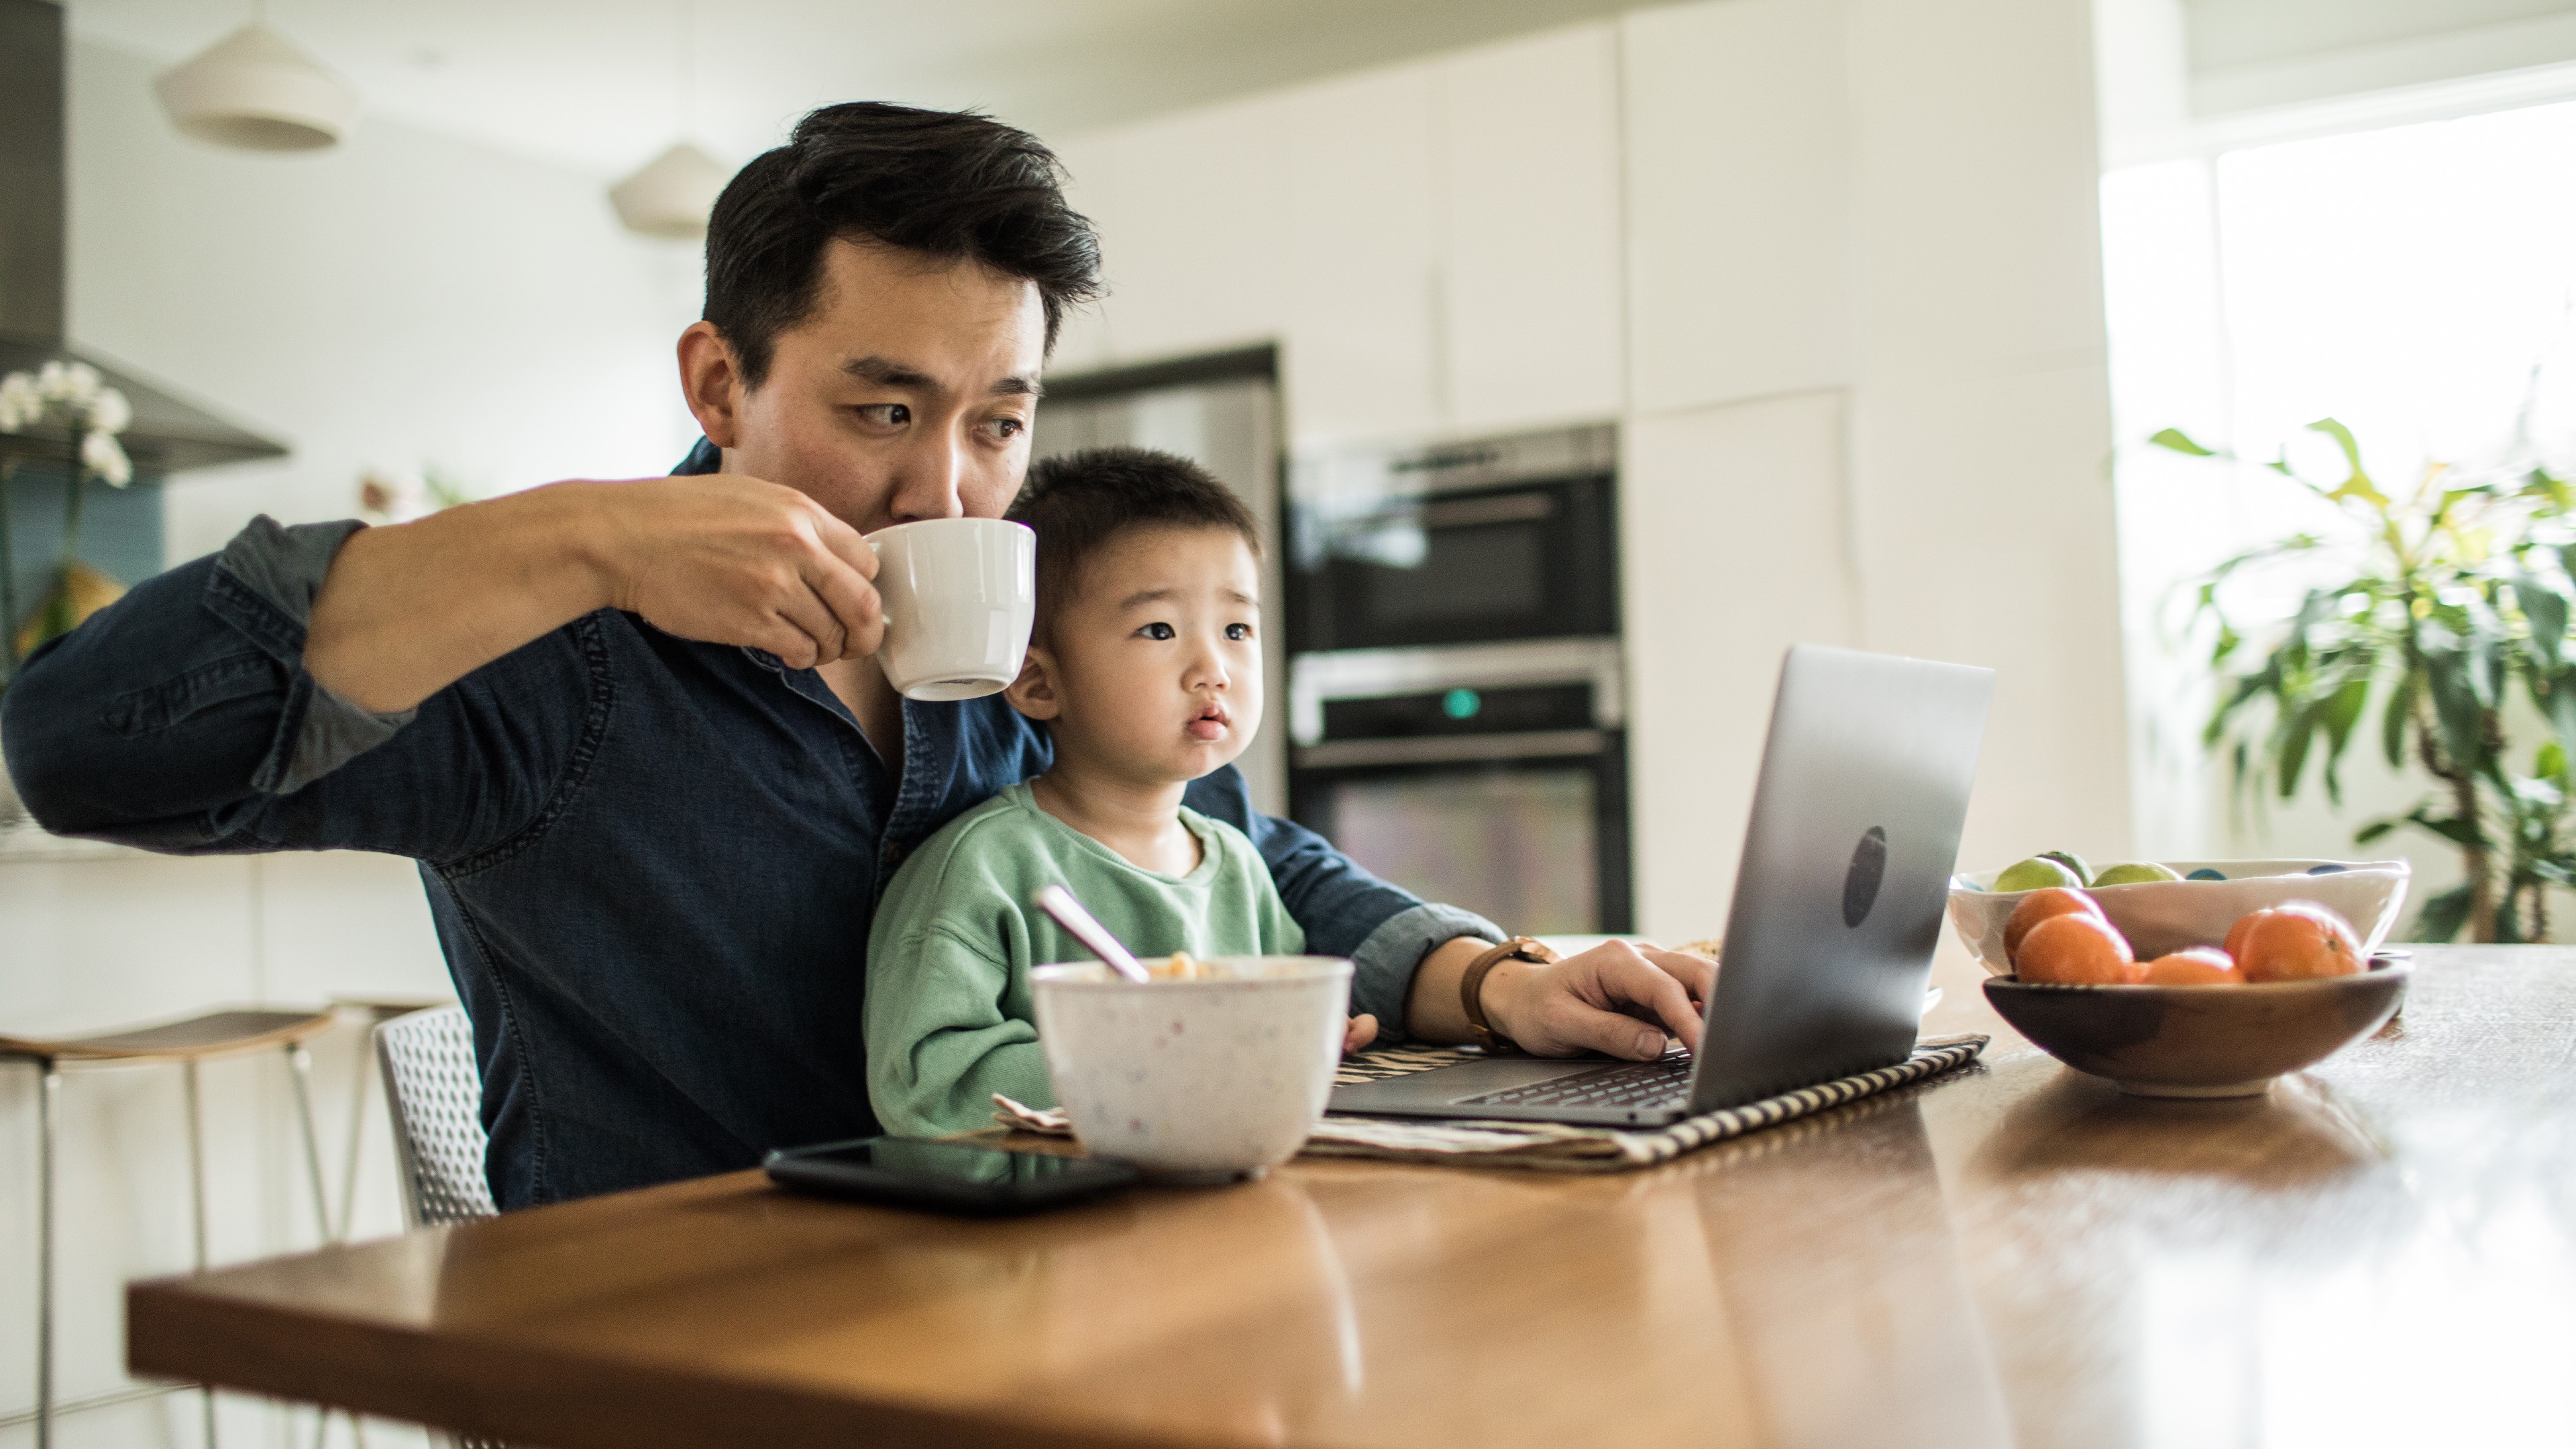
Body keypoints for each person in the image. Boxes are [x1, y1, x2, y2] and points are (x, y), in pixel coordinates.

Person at [1, 102, 1713, 1210]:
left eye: (998, 421)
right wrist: (587, 535)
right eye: (881, 408)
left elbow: (1238, 856)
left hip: (1044, 1298)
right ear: (718, 383)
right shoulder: (554, 658)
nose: (940, 487)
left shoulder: (1032, 635)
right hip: (697, 1360)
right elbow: (77, 745)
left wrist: (1493, 981)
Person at [867, 448, 1374, 1136]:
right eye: (1159, 629)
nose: (1213, 669)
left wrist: (1301, 1040)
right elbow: (930, 1089)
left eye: (1237, 629)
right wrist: (1161, 1060)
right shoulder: (983, 869)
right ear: (1040, 683)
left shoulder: (1239, 866)